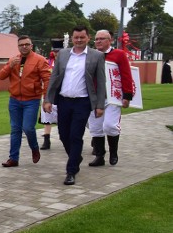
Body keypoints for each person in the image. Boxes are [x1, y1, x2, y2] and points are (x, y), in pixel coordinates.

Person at [43, 26, 106, 185]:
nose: (79, 40)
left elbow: (101, 82)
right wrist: (48, 99)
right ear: (72, 38)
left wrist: (100, 105)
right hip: (64, 101)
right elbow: (54, 78)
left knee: (75, 136)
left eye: (82, 37)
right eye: (76, 37)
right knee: (64, 135)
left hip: (82, 102)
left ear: (88, 38)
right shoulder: (63, 54)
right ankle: (76, 157)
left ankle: (71, 171)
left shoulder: (96, 56)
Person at [0, 35, 50, 167]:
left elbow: (47, 80)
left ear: (31, 46)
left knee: (28, 128)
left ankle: (34, 147)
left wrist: (47, 99)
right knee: (15, 129)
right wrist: (10, 66)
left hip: (31, 100)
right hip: (15, 99)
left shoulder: (39, 60)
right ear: (18, 46)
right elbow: (1, 76)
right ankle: (13, 158)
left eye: (27, 44)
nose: (24, 47)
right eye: (21, 45)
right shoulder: (13, 60)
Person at [87, 30, 135, 167]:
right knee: (95, 128)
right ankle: (99, 156)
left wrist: (127, 95)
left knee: (110, 125)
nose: (98, 41)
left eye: (102, 38)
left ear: (110, 40)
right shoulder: (90, 55)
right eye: (96, 39)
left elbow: (126, 75)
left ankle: (113, 152)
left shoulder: (119, 55)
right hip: (95, 98)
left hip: (113, 97)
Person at [39, 51, 58, 150]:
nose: (56, 54)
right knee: (47, 117)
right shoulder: (47, 63)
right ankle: (47, 140)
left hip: (62, 94)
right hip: (48, 92)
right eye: (55, 51)